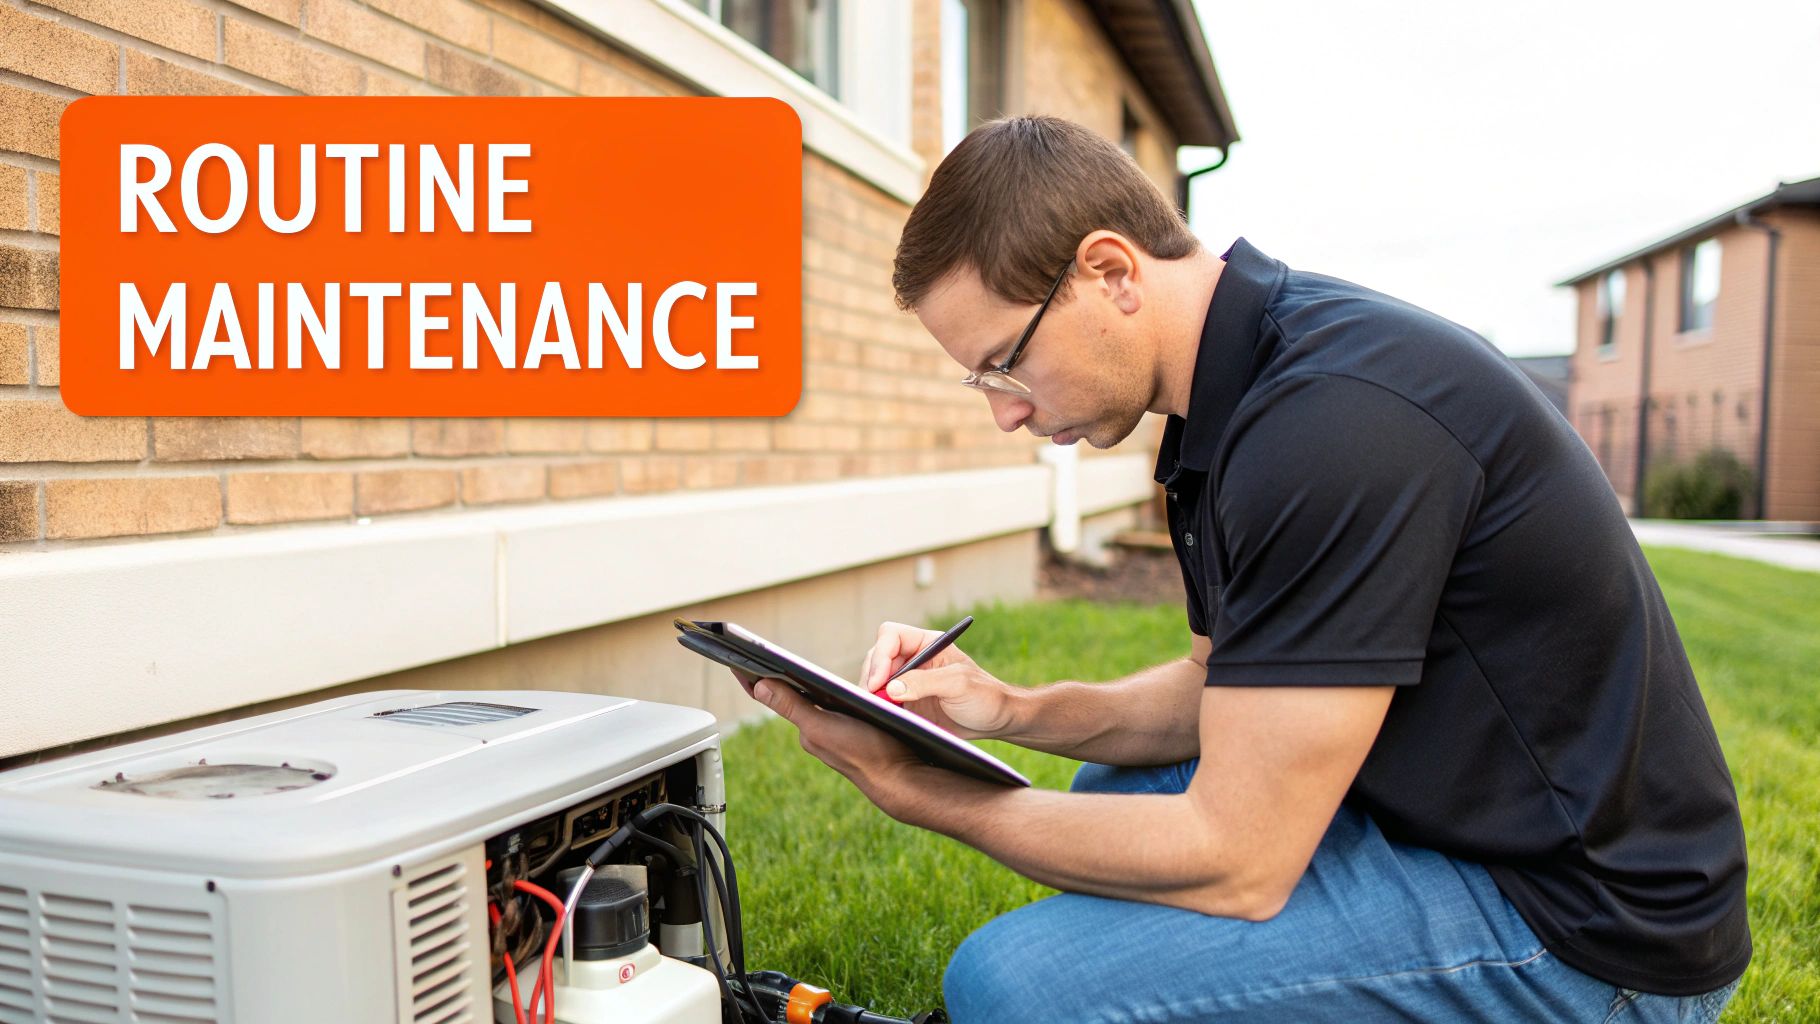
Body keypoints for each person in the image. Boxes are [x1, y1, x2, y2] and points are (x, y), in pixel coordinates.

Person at [728, 115, 1750, 1022]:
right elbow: (1218, 688)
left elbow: (1238, 856)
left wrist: (925, 795)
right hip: (1465, 829)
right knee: (1116, 785)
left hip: (1587, 934)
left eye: (1006, 361)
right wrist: (1006, 708)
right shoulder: (1235, 391)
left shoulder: (1326, 428)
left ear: (1111, 273)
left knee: (1010, 984)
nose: (1004, 411)